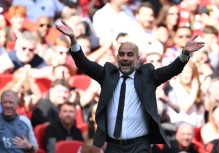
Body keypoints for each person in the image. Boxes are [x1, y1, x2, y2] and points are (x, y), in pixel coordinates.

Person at [56, 20, 204, 153]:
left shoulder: (148, 76)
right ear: (117, 57)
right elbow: (83, 64)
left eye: (130, 54)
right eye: (122, 54)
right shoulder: (107, 74)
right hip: (113, 145)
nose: (125, 58)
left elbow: (172, 69)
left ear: (137, 58)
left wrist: (184, 53)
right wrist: (73, 39)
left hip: (139, 145)